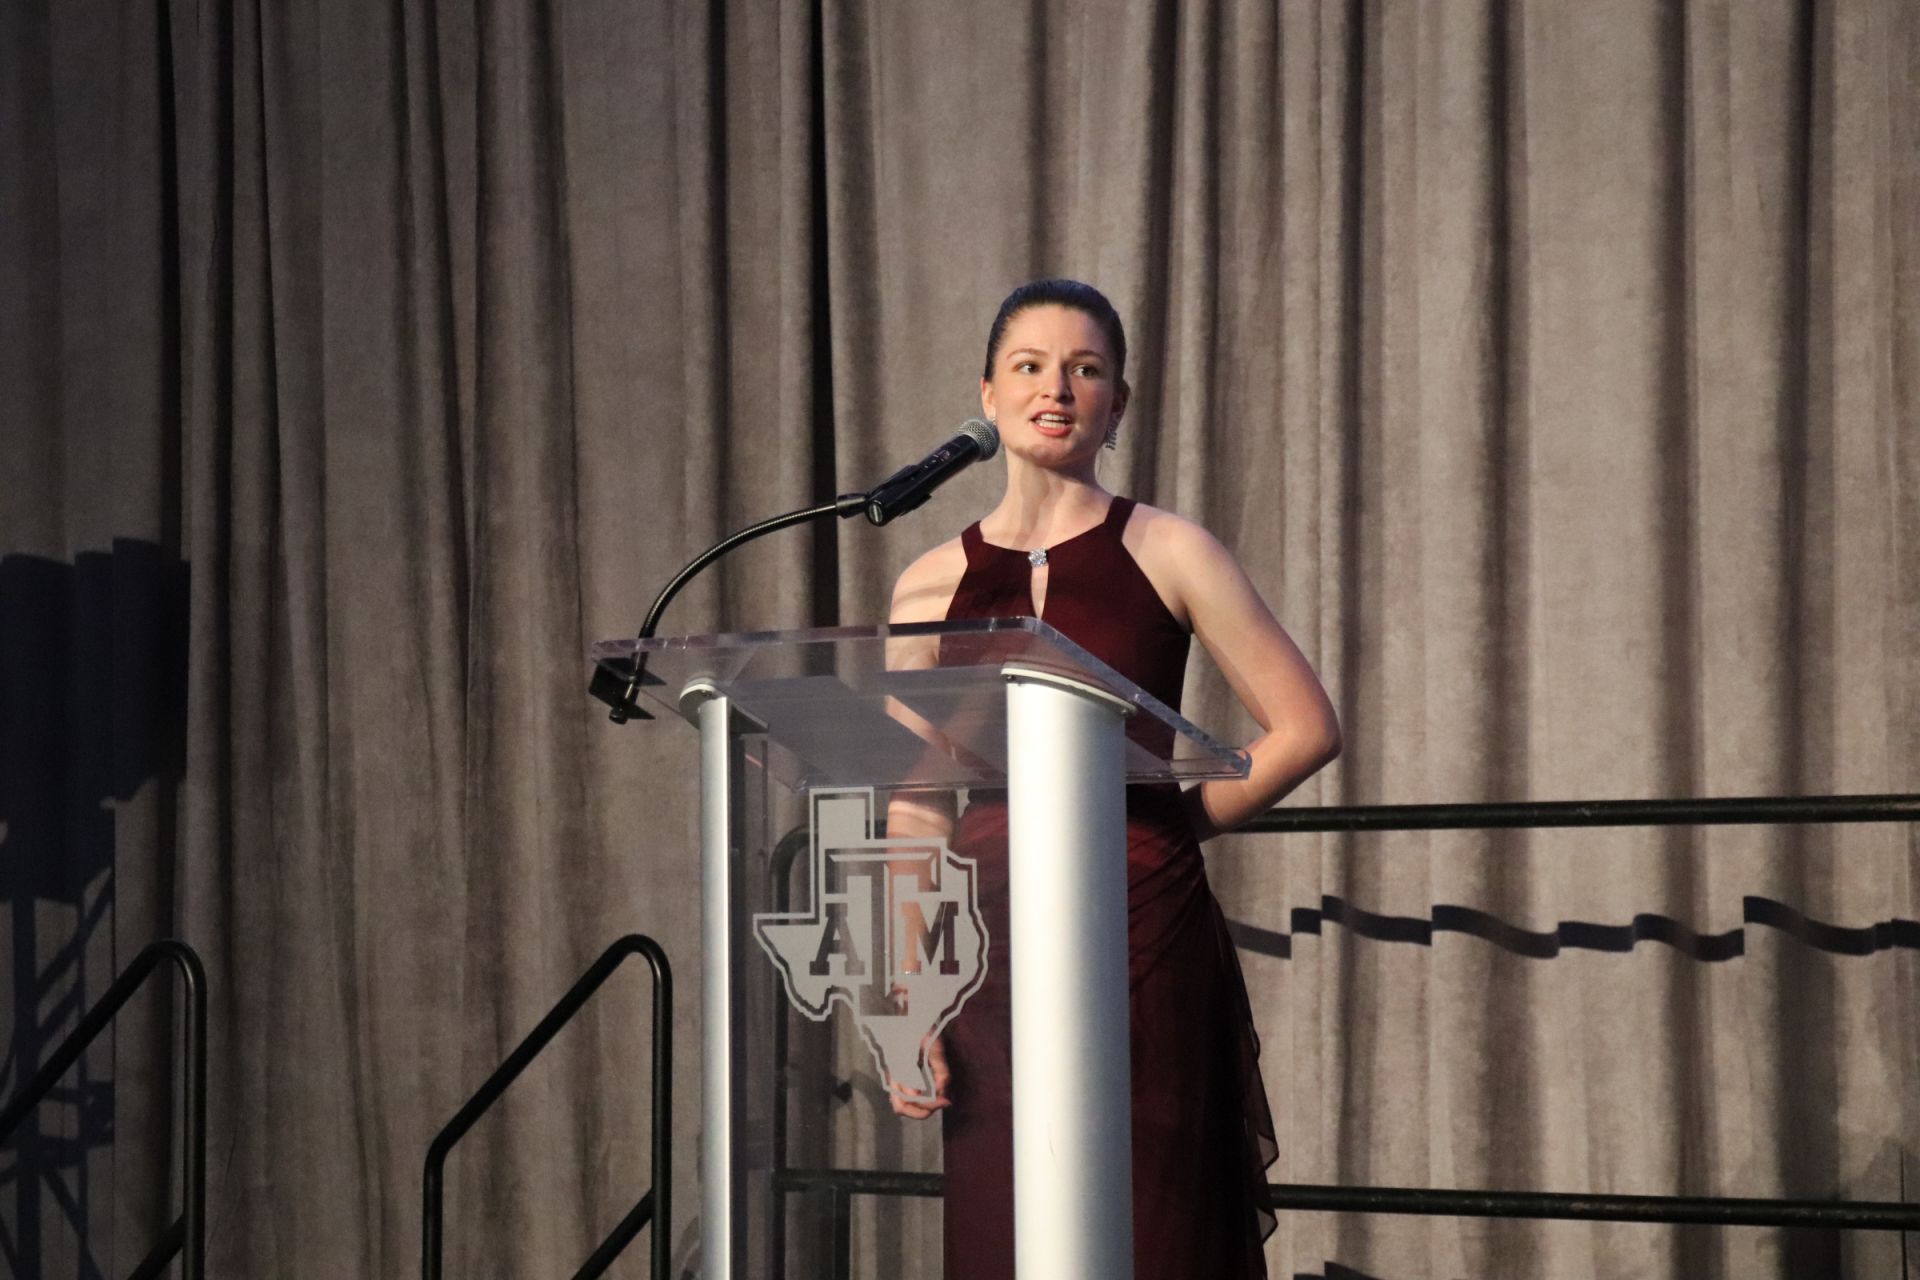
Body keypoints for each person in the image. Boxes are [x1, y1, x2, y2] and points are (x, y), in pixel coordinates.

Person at [883, 278, 1341, 1279]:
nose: (1056, 388)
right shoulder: (926, 582)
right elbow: (914, 804)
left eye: (1085, 369)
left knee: (1153, 1222)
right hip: (989, 946)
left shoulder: (1170, 548)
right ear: (989, 394)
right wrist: (908, 994)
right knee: (1006, 1225)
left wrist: (1166, 824)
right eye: (1030, 366)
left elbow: (1306, 728)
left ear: (1117, 403)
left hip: (1141, 925)